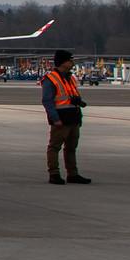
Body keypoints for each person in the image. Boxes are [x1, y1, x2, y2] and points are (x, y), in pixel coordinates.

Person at [40, 49, 90, 185]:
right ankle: (54, 173)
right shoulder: (50, 79)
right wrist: (55, 118)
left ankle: (72, 174)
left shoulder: (70, 77)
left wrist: (79, 102)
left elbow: (70, 95)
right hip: (61, 118)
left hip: (73, 117)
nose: (72, 62)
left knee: (71, 147)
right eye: (70, 60)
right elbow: (47, 101)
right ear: (63, 62)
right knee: (55, 147)